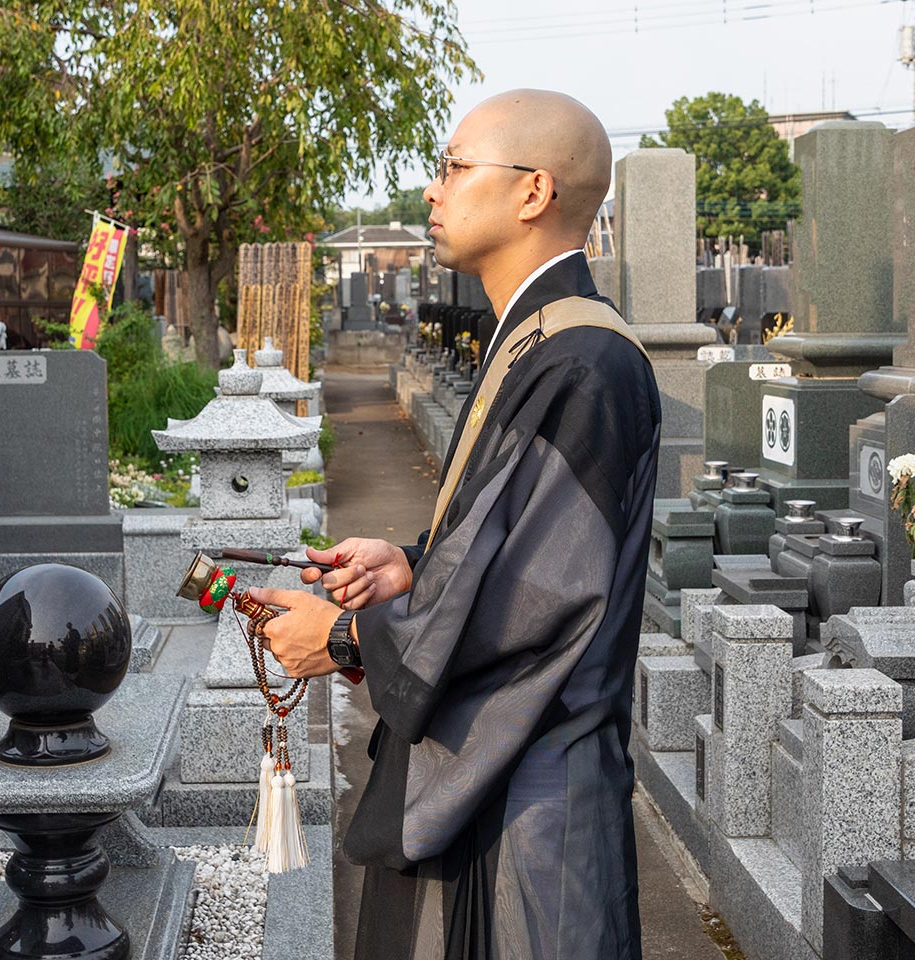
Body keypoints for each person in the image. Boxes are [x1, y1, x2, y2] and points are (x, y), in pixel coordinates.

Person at [250, 89, 661, 960]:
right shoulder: (534, 338)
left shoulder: (586, 362)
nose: (433, 192)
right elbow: (515, 539)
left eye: (454, 166)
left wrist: (352, 637)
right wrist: (410, 562)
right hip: (496, 768)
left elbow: (541, 599)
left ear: (534, 192)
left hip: (535, 792)